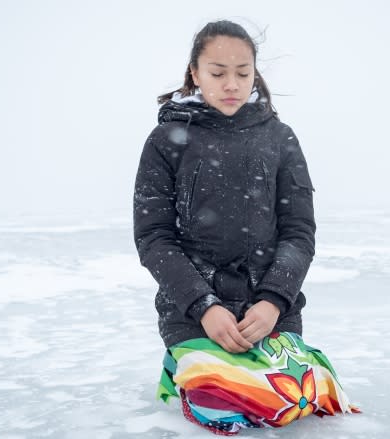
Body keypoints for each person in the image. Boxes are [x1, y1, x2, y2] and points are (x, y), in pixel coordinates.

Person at [133, 20, 359, 435]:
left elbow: (298, 232)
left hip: (269, 312)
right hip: (194, 313)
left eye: (243, 72)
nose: (231, 83)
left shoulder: (280, 138)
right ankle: (185, 369)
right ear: (195, 74)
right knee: (226, 409)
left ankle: (201, 370)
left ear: (255, 73)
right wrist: (204, 306)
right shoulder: (165, 140)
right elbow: (154, 238)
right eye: (218, 73)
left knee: (305, 398)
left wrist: (273, 301)